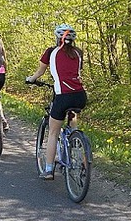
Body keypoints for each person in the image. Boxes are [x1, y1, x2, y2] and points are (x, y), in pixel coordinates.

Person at [26, 24, 87, 180]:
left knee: (53, 133)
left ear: (57, 38)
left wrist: (31, 79)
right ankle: (82, 161)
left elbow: (40, 71)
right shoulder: (78, 53)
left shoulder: (51, 52)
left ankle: (48, 169)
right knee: (73, 125)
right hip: (80, 96)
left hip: (63, 96)